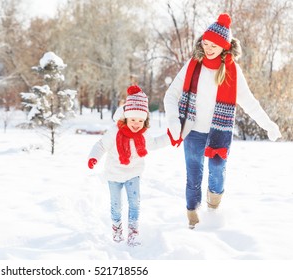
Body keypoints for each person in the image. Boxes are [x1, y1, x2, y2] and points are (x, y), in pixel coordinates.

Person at [163, 13, 282, 229]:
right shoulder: (193, 64)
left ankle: (213, 214)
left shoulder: (232, 71)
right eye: (205, 43)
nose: (208, 48)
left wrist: (268, 125)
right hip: (192, 131)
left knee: (217, 172)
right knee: (193, 176)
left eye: (214, 45)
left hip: (218, 132)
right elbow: (170, 95)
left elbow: (250, 102)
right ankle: (192, 219)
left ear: (224, 46)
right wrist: (173, 120)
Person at [88, 85, 168, 246]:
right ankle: (117, 229)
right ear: (126, 117)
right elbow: (101, 145)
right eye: (133, 120)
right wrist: (93, 157)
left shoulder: (144, 134)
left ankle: (133, 231)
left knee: (134, 203)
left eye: (140, 120)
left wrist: (171, 137)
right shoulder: (114, 132)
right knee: (116, 205)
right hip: (114, 175)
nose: (137, 124)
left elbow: (155, 143)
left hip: (133, 173)